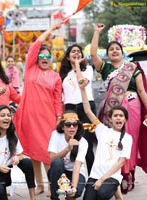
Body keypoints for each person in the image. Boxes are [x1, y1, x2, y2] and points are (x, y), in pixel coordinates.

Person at [91, 23, 147, 194]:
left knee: (129, 140)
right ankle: (117, 175)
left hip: (133, 107)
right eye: (111, 49)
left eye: (117, 49)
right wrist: (96, 32)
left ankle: (128, 175)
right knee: (114, 141)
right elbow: (93, 53)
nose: (114, 51)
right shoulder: (106, 68)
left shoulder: (133, 68)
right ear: (107, 54)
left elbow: (141, 91)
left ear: (122, 52)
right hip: (113, 110)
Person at [14, 23, 63, 196]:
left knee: (48, 153)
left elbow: (58, 99)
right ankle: (39, 184)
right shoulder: (30, 69)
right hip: (29, 117)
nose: (44, 58)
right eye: (41, 55)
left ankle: (52, 185)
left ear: (51, 59)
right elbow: (34, 46)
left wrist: (59, 117)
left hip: (48, 118)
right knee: (34, 154)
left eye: (47, 56)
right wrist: (50, 30)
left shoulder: (55, 76)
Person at [79, 75, 133, 200]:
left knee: (102, 194)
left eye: (121, 116)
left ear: (125, 119)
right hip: (95, 175)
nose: (118, 118)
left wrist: (102, 179)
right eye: (116, 116)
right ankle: (117, 194)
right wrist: (83, 90)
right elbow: (88, 111)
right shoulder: (102, 130)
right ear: (110, 118)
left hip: (112, 177)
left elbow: (121, 163)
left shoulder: (127, 138)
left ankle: (115, 189)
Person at [0, 105, 36, 200]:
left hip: (9, 171)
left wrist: (18, 158)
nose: (6, 118)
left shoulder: (12, 135)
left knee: (27, 162)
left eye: (8, 115)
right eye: (2, 115)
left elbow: (21, 155)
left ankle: (33, 197)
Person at [59, 44, 96, 175]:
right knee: (70, 144)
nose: (76, 53)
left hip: (86, 108)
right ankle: (69, 178)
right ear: (68, 57)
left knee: (88, 144)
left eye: (78, 52)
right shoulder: (64, 74)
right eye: (73, 52)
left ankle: (93, 177)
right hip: (69, 109)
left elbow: (82, 83)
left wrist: (78, 66)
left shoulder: (88, 69)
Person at [48, 110, 88, 200]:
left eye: (75, 124)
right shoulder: (56, 135)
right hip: (59, 171)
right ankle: (54, 197)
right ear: (62, 127)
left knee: (75, 193)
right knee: (57, 162)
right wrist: (68, 149)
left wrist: (73, 187)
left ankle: (69, 195)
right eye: (68, 124)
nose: (71, 127)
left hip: (75, 173)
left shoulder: (83, 142)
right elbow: (51, 159)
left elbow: (77, 167)